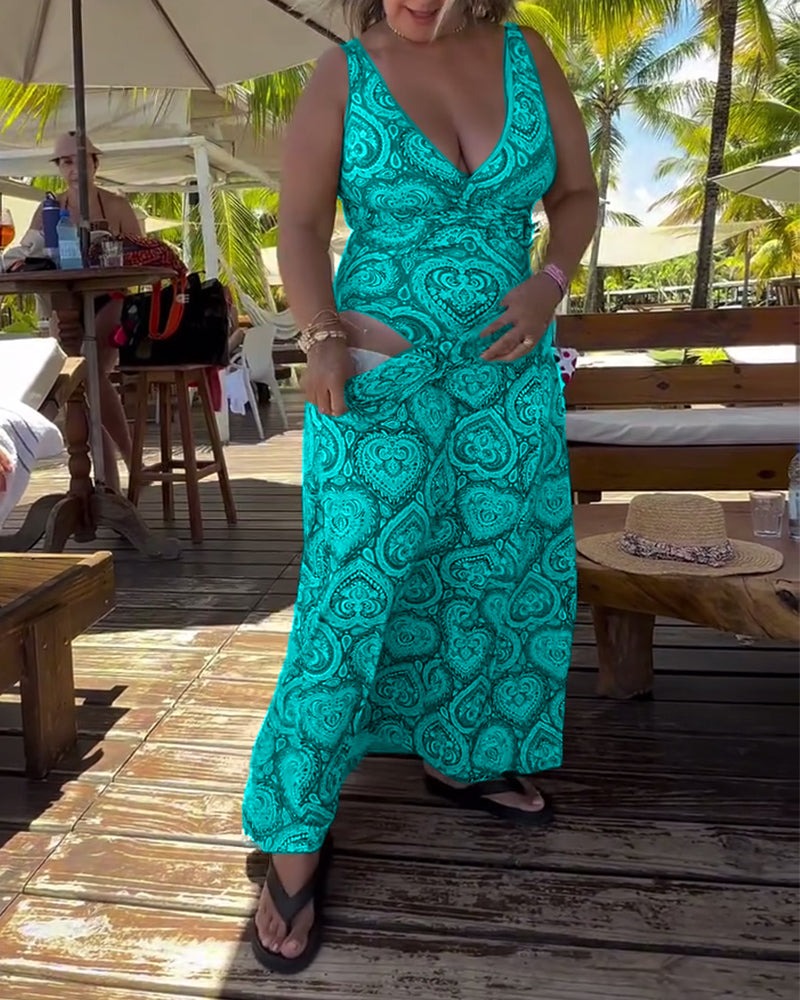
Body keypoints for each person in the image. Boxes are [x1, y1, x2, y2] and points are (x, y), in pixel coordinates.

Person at [243, 0, 598, 973]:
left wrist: (548, 283)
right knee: (346, 599)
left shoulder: (527, 56)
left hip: (504, 382)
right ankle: (294, 833)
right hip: (375, 380)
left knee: (490, 571)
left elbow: (575, 196)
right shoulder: (342, 74)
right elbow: (301, 225)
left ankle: (464, 751)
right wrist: (319, 335)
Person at [31, 132, 143, 492]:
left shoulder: (116, 205)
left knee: (88, 371)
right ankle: (110, 481)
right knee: (78, 382)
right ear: (59, 167)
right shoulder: (49, 208)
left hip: (111, 297)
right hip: (65, 303)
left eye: (80, 160)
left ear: (95, 163)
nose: (74, 168)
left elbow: (142, 256)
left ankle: (128, 463)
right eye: (66, 161)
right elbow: (30, 255)